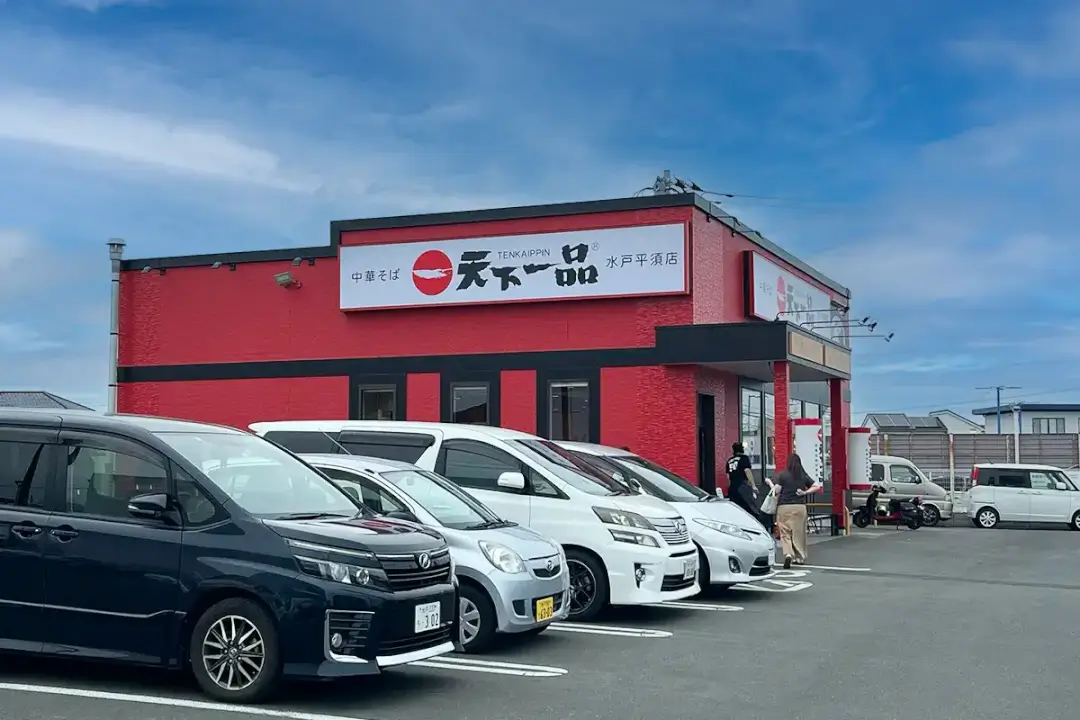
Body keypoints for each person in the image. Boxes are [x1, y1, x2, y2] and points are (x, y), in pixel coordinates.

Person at [774, 452, 823, 569]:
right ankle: (799, 557)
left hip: (784, 507)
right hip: (800, 507)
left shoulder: (783, 475)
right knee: (799, 533)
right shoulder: (803, 475)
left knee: (785, 533)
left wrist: (770, 483)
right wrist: (805, 492)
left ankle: (788, 554)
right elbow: (817, 486)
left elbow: (776, 491)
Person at [725, 442, 759, 516]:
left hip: (732, 488)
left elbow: (728, 476)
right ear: (742, 449)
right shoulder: (744, 458)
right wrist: (753, 485)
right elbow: (747, 471)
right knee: (750, 508)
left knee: (736, 509)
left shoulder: (729, 461)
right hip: (742, 486)